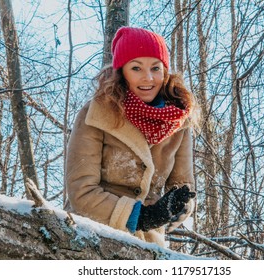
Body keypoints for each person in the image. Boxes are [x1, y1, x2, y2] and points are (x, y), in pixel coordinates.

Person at [64, 26, 199, 247]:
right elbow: (81, 192)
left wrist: (179, 206)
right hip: (91, 236)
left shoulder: (179, 122)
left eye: (156, 68)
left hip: (149, 245)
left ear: (165, 72)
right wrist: (140, 216)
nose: (148, 78)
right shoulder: (96, 115)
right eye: (136, 68)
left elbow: (183, 184)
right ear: (121, 72)